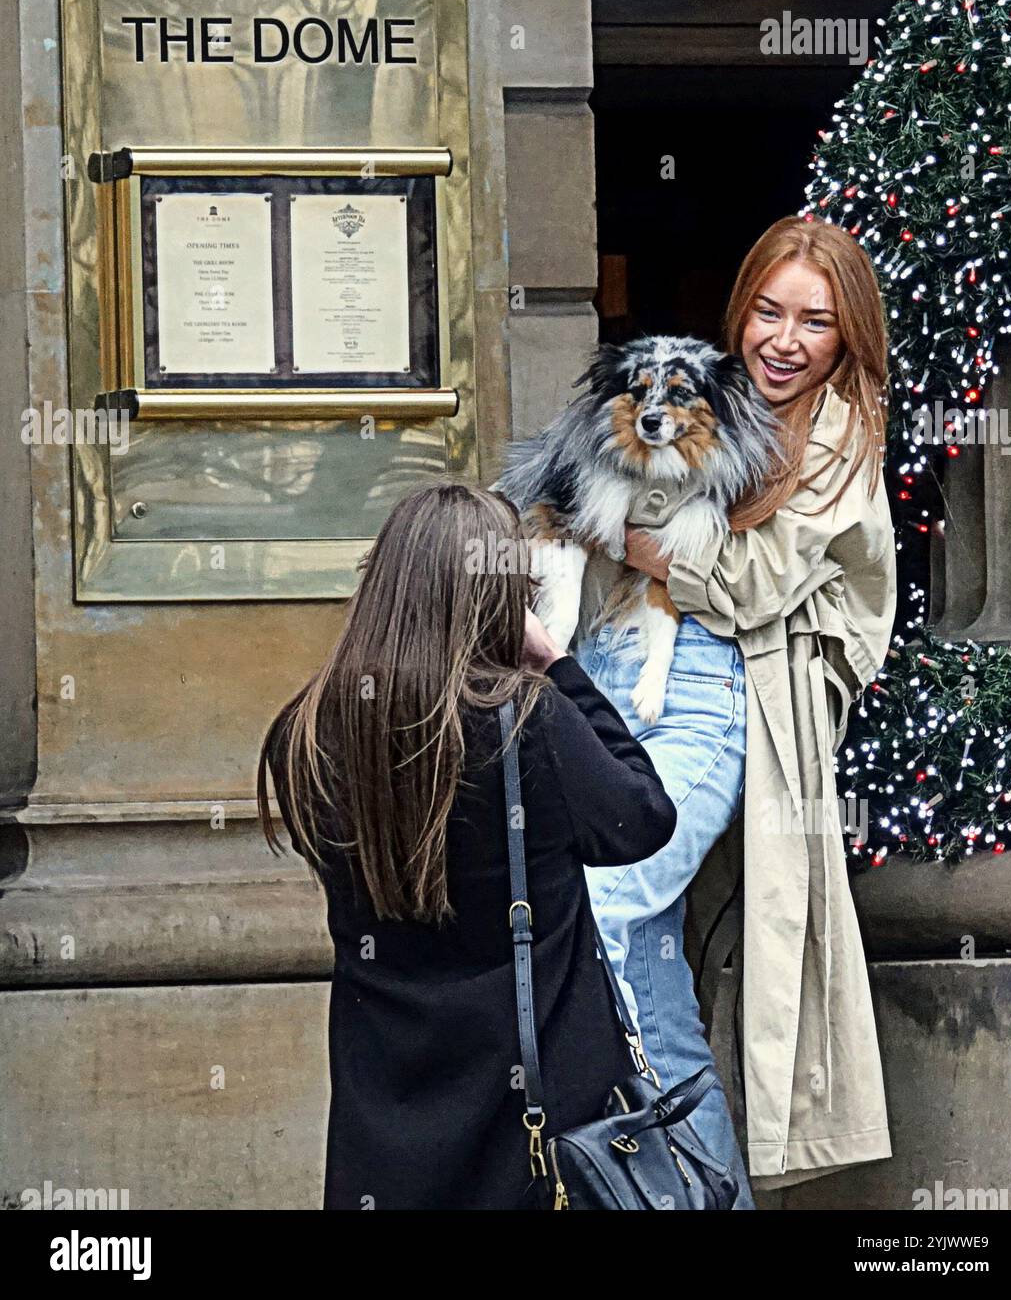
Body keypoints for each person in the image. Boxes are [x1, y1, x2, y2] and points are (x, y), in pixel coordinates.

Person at [576, 215, 898, 1192]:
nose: (784, 340)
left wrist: (660, 546)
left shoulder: (841, 430)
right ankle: (700, 1189)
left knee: (608, 910)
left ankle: (624, 1168)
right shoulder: (712, 401)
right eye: (767, 310)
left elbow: (747, 584)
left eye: (814, 322)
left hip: (742, 705)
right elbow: (605, 506)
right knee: (649, 949)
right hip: (642, 678)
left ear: (847, 339)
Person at [258, 482, 677, 1210]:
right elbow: (641, 817)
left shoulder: (310, 728)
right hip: (537, 1122)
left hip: (383, 1114)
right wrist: (557, 666)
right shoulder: (527, 722)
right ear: (499, 600)